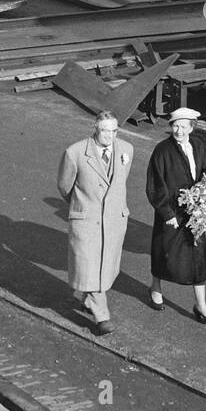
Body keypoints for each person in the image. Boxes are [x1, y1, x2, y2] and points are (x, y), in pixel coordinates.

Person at [57, 113, 133, 336]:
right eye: (105, 130)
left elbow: (119, 182)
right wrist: (84, 204)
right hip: (87, 219)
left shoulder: (127, 150)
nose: (110, 135)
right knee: (88, 262)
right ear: (95, 129)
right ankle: (102, 316)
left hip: (114, 220)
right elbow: (64, 187)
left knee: (105, 266)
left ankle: (88, 299)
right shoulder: (75, 152)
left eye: (114, 130)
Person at [145, 107, 206, 322]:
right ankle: (156, 288)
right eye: (175, 126)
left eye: (183, 127)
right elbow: (154, 184)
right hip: (171, 212)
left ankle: (201, 304)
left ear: (191, 127)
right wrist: (166, 212)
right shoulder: (162, 150)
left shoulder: (198, 145)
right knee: (164, 252)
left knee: (198, 257)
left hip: (194, 212)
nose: (178, 130)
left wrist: (204, 191)